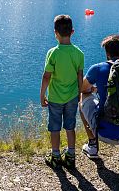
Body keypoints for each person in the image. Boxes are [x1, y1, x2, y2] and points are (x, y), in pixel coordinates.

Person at [79, 34, 119, 166]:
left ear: (107, 53)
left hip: (105, 133)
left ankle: (93, 146)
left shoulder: (98, 68)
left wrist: (94, 89)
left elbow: (83, 88)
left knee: (83, 97)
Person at [40, 14, 84, 169]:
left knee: (55, 127)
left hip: (55, 98)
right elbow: (80, 76)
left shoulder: (53, 53)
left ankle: (56, 155)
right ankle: (71, 155)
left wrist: (42, 95)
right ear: (72, 32)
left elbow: (46, 77)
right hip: (72, 97)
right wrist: (79, 95)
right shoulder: (79, 53)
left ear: (55, 33)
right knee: (70, 126)